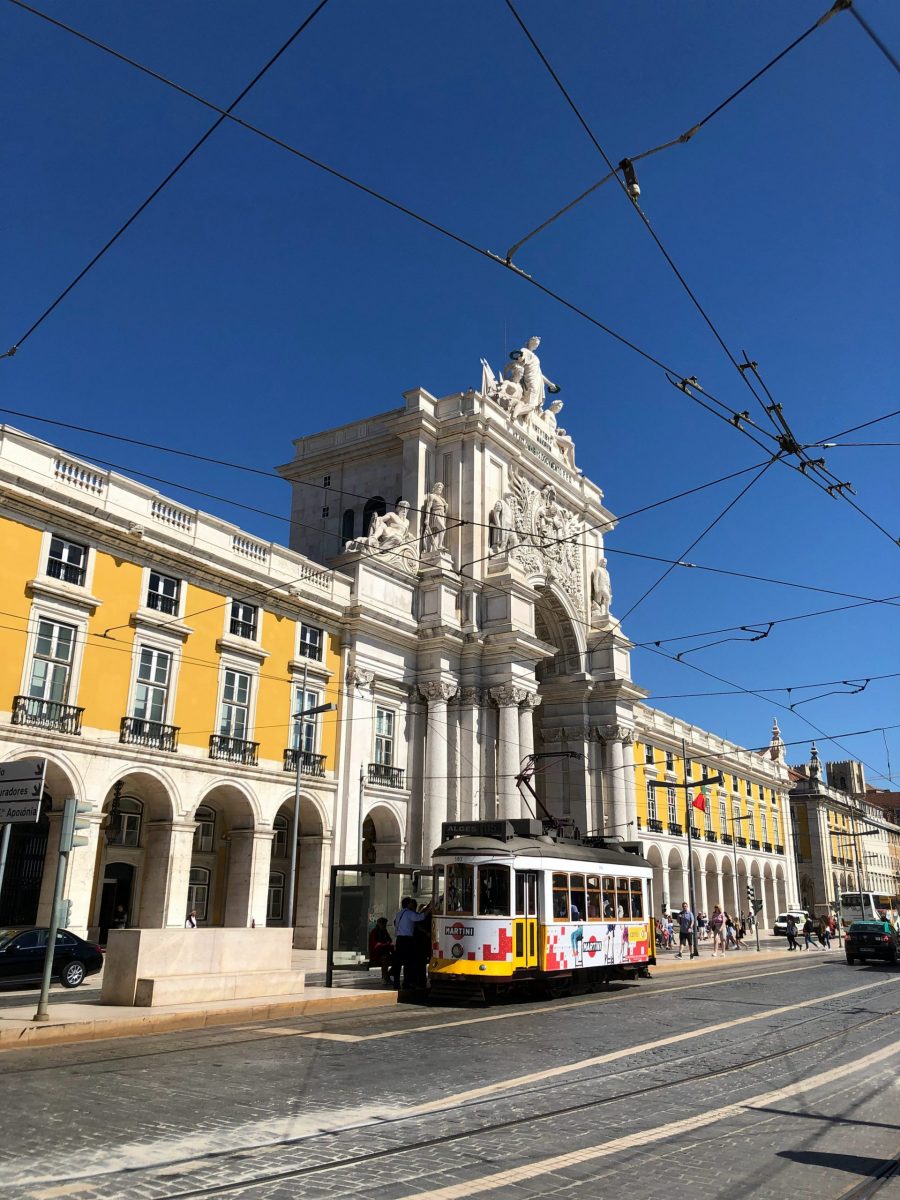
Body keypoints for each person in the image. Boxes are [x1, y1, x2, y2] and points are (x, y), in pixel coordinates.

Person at [392, 896, 430, 989]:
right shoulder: (409, 913)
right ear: (408, 904)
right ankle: (406, 982)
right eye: (411, 903)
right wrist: (429, 909)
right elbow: (420, 917)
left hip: (399, 939)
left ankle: (396, 982)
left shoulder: (399, 913)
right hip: (407, 940)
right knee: (408, 962)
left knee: (398, 962)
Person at [422, 483, 449, 554]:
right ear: (435, 488)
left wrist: (446, 506)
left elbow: (445, 510)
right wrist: (427, 518)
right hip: (436, 514)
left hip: (442, 515)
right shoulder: (432, 496)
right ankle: (440, 545)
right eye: (439, 487)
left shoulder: (442, 499)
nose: (440, 489)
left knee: (441, 530)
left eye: (441, 488)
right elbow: (428, 507)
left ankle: (438, 545)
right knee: (443, 528)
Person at [368, 917, 394, 983]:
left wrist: (393, 950)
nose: (384, 926)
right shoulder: (374, 932)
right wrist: (386, 944)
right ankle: (385, 977)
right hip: (377, 954)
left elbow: (390, 941)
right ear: (379, 924)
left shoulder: (384, 931)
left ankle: (387, 975)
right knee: (385, 959)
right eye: (383, 924)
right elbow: (376, 945)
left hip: (384, 952)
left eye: (385, 924)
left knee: (397, 959)